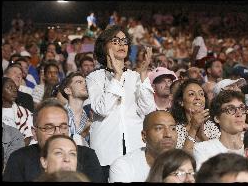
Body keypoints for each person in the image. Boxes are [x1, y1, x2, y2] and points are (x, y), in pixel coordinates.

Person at [85, 25, 156, 178]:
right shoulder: (94, 77)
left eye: (124, 41)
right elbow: (102, 109)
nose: (122, 44)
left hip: (134, 147)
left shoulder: (135, 76)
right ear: (104, 46)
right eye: (116, 41)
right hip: (105, 150)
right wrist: (117, 76)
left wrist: (143, 75)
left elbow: (148, 110)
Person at [3, 98, 104, 182]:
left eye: (63, 127)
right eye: (49, 127)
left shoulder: (87, 156)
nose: (57, 133)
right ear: (34, 133)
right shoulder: (18, 159)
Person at [109, 110, 177, 182]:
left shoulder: (185, 164)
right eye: (159, 128)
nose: (168, 134)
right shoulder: (123, 167)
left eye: (173, 128)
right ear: (144, 136)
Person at [193, 90, 246, 170]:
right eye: (231, 109)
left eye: (241, 108)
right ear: (217, 118)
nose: (239, 114)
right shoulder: (203, 149)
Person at [170, 79, 212, 154]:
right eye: (191, 94)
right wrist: (193, 129)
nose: (198, 98)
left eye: (201, 94)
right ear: (181, 102)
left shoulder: (213, 126)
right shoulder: (174, 130)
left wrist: (202, 136)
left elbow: (220, 159)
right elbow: (182, 161)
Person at [60, 72, 91, 146]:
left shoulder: (88, 118)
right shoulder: (60, 115)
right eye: (79, 82)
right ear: (68, 90)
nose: (85, 85)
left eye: (85, 82)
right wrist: (82, 133)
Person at [2, 77, 34, 146]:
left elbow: (28, 136)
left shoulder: (25, 113)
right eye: (9, 87)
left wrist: (15, 151)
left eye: (15, 87)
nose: (14, 90)